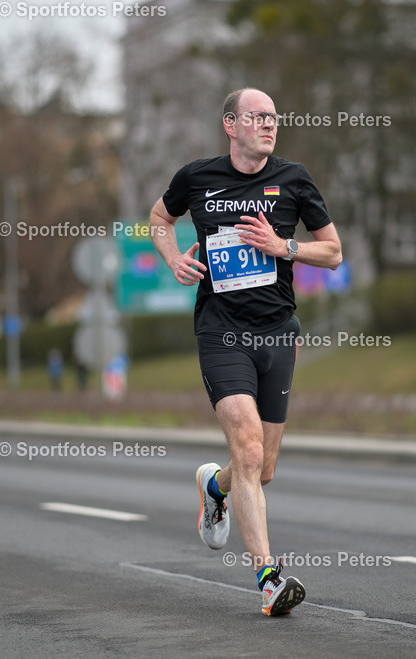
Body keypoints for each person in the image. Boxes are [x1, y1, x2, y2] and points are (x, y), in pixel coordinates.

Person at [149, 88, 342, 616]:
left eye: (274, 118)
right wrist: (173, 261)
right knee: (250, 452)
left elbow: (334, 252)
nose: (268, 125)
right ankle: (268, 579)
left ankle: (215, 486)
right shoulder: (197, 178)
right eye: (257, 117)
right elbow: (158, 220)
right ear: (230, 125)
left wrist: (286, 247)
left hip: (278, 332)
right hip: (221, 330)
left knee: (263, 467)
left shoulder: (294, 179)